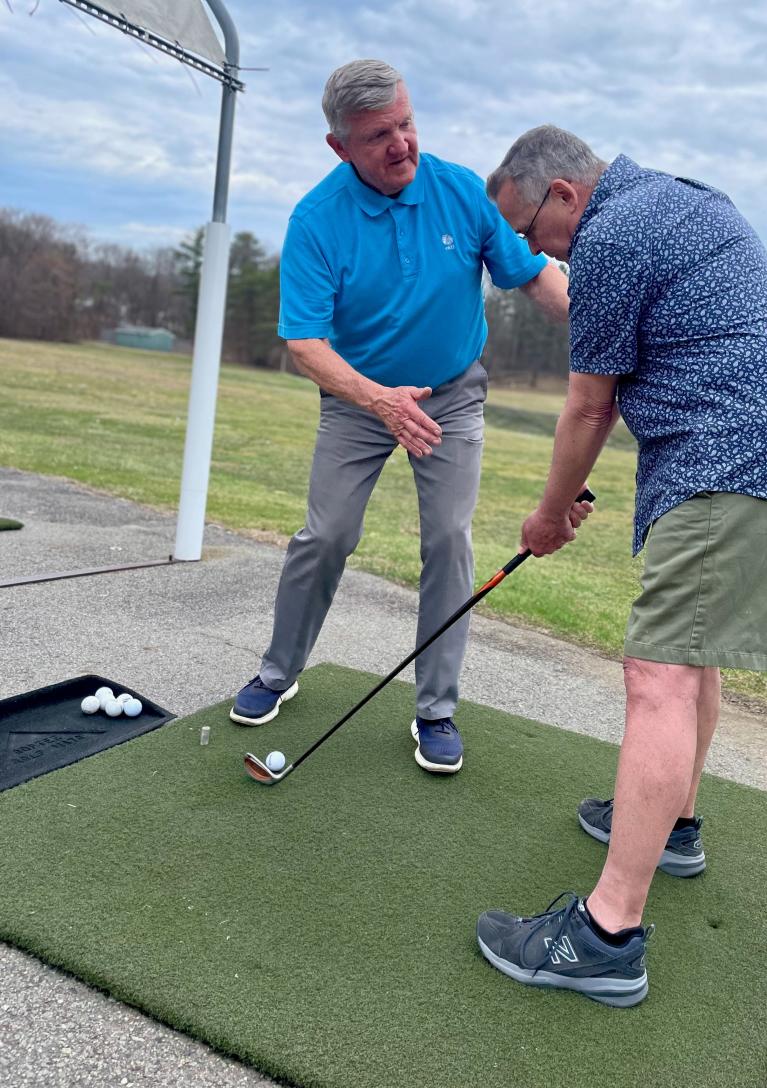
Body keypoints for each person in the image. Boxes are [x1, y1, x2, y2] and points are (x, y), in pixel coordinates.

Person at [476, 125, 767, 1006]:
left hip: (729, 466)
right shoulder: (681, 196)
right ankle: (671, 827)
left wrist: (549, 514)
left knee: (658, 677)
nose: (531, 252)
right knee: (689, 657)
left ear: (563, 194)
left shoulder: (611, 237)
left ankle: (606, 935)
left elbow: (589, 408)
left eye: (529, 229)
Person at [229, 62, 574, 775]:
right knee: (326, 534)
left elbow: (534, 275)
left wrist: (604, 325)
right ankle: (277, 670)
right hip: (359, 400)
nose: (402, 145)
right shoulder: (316, 220)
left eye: (407, 124)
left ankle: (436, 709)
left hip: (451, 393)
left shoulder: (458, 191)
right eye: (379, 135)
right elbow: (304, 344)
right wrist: (379, 400)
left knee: (449, 538)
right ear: (340, 147)